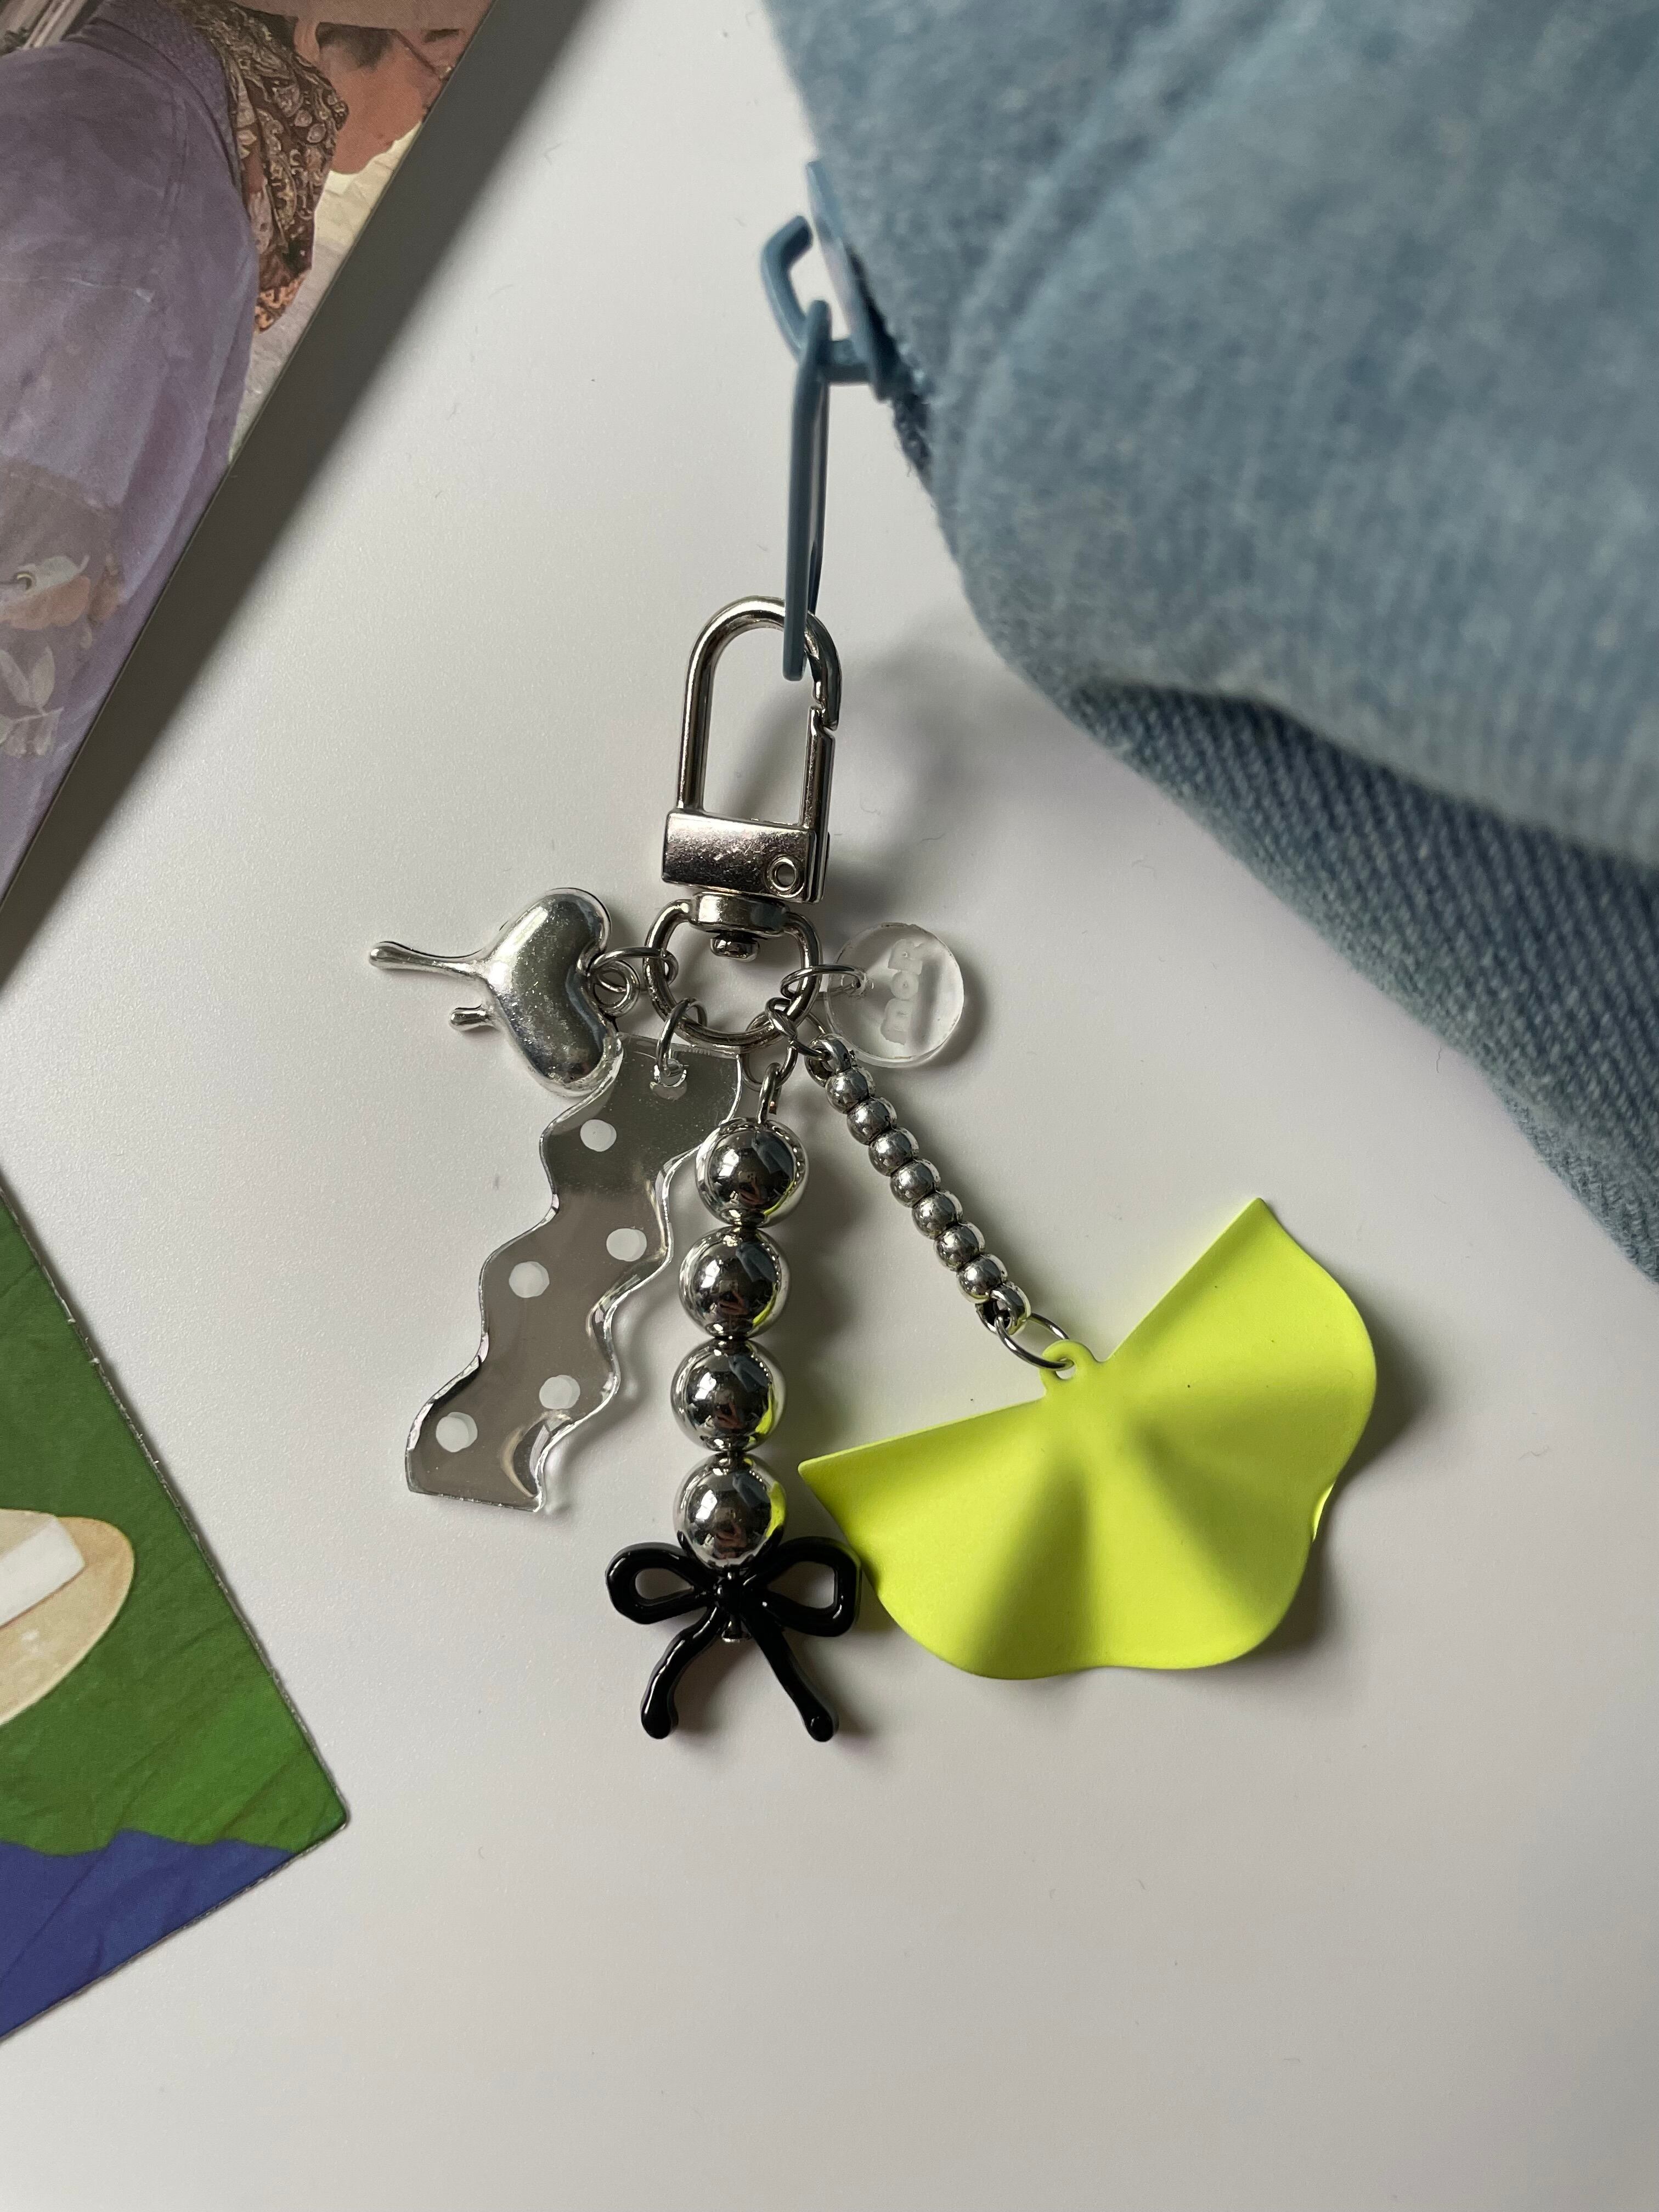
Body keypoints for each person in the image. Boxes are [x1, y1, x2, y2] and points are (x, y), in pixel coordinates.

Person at [0, 0, 487, 892]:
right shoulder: (162, 225)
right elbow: (15, 682)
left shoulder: (57, 95)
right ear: (322, 31)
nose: (426, 111)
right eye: (441, 66)